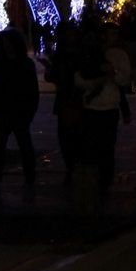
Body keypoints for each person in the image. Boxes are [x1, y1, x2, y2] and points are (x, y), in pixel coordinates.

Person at [78, 23, 130, 195]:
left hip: (110, 106)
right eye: (110, 34)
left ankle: (105, 180)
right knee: (91, 145)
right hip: (92, 106)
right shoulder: (91, 53)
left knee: (107, 145)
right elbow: (80, 75)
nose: (112, 37)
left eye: (115, 34)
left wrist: (112, 72)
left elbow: (124, 80)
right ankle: (92, 179)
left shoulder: (120, 55)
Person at [0, 28, 39, 187]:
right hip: (3, 112)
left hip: (20, 111)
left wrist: (30, 112)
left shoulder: (25, 64)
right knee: (0, 145)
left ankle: (30, 175)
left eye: (9, 44)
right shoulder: (0, 64)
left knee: (24, 144)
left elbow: (32, 90)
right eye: (4, 44)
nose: (7, 47)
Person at [42, 21, 83, 180]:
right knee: (64, 135)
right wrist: (48, 68)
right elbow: (54, 77)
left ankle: (77, 165)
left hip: (80, 97)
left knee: (77, 133)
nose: (70, 39)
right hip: (65, 98)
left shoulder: (83, 54)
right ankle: (70, 166)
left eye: (73, 36)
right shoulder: (60, 55)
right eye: (67, 36)